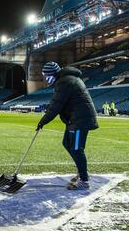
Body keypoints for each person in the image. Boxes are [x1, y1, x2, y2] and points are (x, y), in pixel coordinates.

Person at [37, 62, 99, 190]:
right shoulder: (65, 81)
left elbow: (56, 106)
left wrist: (43, 121)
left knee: (77, 149)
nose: (46, 79)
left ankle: (84, 181)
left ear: (53, 74)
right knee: (67, 143)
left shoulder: (65, 82)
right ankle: (81, 172)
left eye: (46, 76)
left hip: (80, 120)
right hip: (74, 119)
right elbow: (58, 102)